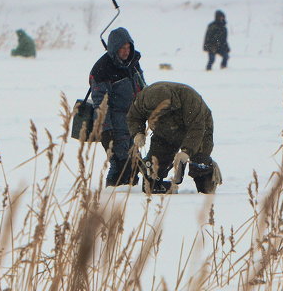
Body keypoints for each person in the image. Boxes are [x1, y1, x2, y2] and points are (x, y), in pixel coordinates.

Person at [126, 81, 221, 194]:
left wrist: (187, 151)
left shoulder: (189, 98)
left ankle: (207, 178)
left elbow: (196, 128)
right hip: (164, 131)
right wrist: (138, 133)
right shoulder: (142, 99)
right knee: (155, 165)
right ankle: (159, 186)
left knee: (199, 162)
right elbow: (133, 117)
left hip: (200, 126)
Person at [88, 27, 147, 187]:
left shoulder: (133, 63)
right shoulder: (102, 69)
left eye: (128, 48)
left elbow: (142, 87)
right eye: (122, 48)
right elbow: (101, 103)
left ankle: (129, 198)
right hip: (115, 124)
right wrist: (106, 130)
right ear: (114, 48)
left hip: (133, 122)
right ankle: (113, 196)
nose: (126, 52)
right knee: (121, 164)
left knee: (134, 164)